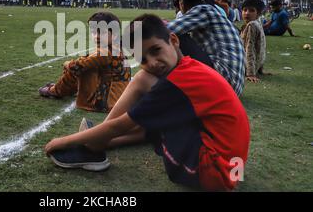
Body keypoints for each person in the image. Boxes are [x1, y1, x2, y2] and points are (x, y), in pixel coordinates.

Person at [45, 14, 250, 191]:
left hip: (215, 173)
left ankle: (92, 145)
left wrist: (64, 141)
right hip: (234, 167)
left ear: (174, 40)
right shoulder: (189, 66)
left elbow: (120, 125)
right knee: (150, 91)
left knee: (145, 84)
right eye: (142, 59)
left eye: (155, 50)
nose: (151, 62)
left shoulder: (178, 83)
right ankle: (99, 142)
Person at [38, 12, 131, 112]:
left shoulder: (105, 52)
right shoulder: (117, 47)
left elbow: (77, 66)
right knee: (85, 64)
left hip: (104, 103)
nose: (97, 36)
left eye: (102, 33)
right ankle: (61, 89)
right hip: (120, 99)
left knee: (80, 68)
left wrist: (67, 64)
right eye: (94, 32)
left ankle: (55, 91)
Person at [167, 0, 245, 96]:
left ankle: (160, 82)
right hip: (231, 86)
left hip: (223, 81)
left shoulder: (203, 10)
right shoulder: (213, 12)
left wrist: (142, 29)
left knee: (174, 39)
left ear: (181, 3)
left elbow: (166, 30)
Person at [240, 0, 267, 83]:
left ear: (258, 13)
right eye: (244, 10)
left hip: (245, 67)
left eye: (251, 10)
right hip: (256, 66)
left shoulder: (251, 25)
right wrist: (260, 69)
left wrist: (250, 73)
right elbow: (261, 48)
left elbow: (250, 49)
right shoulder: (258, 23)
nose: (247, 13)